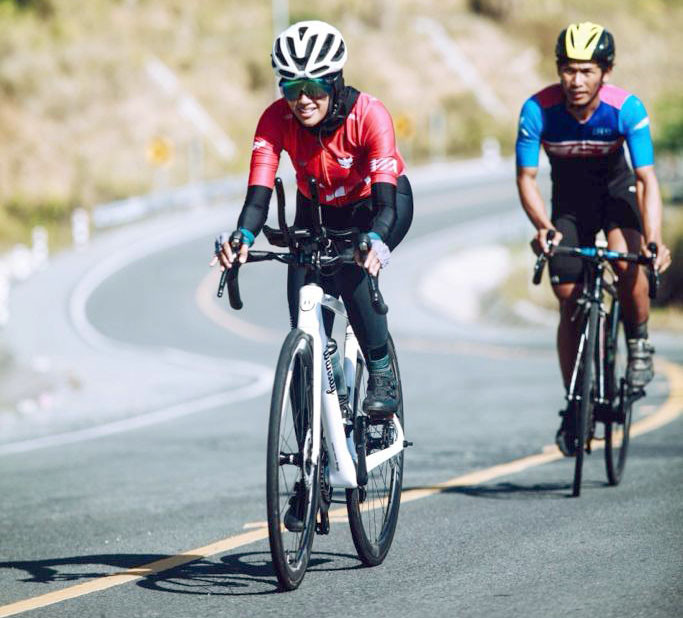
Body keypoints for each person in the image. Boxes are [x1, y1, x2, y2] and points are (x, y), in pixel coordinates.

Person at [212, 20, 413, 419]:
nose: (303, 99)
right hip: (316, 209)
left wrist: (376, 241)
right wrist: (242, 236)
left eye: (314, 87)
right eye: (291, 88)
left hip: (374, 206)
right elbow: (257, 197)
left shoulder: (369, 115)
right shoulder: (275, 120)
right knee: (303, 315)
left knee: (353, 272)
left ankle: (381, 372)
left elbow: (387, 204)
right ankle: (315, 407)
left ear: (335, 81)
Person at [515, 22, 672, 456]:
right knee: (568, 298)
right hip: (569, 203)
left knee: (627, 260)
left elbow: (647, 179)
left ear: (606, 71)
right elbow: (526, 178)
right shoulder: (538, 110)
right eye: (568, 70)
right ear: (558, 70)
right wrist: (542, 226)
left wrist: (654, 238)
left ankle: (638, 342)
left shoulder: (626, 109)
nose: (577, 80)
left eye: (587, 71)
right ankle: (575, 402)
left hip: (616, 195)